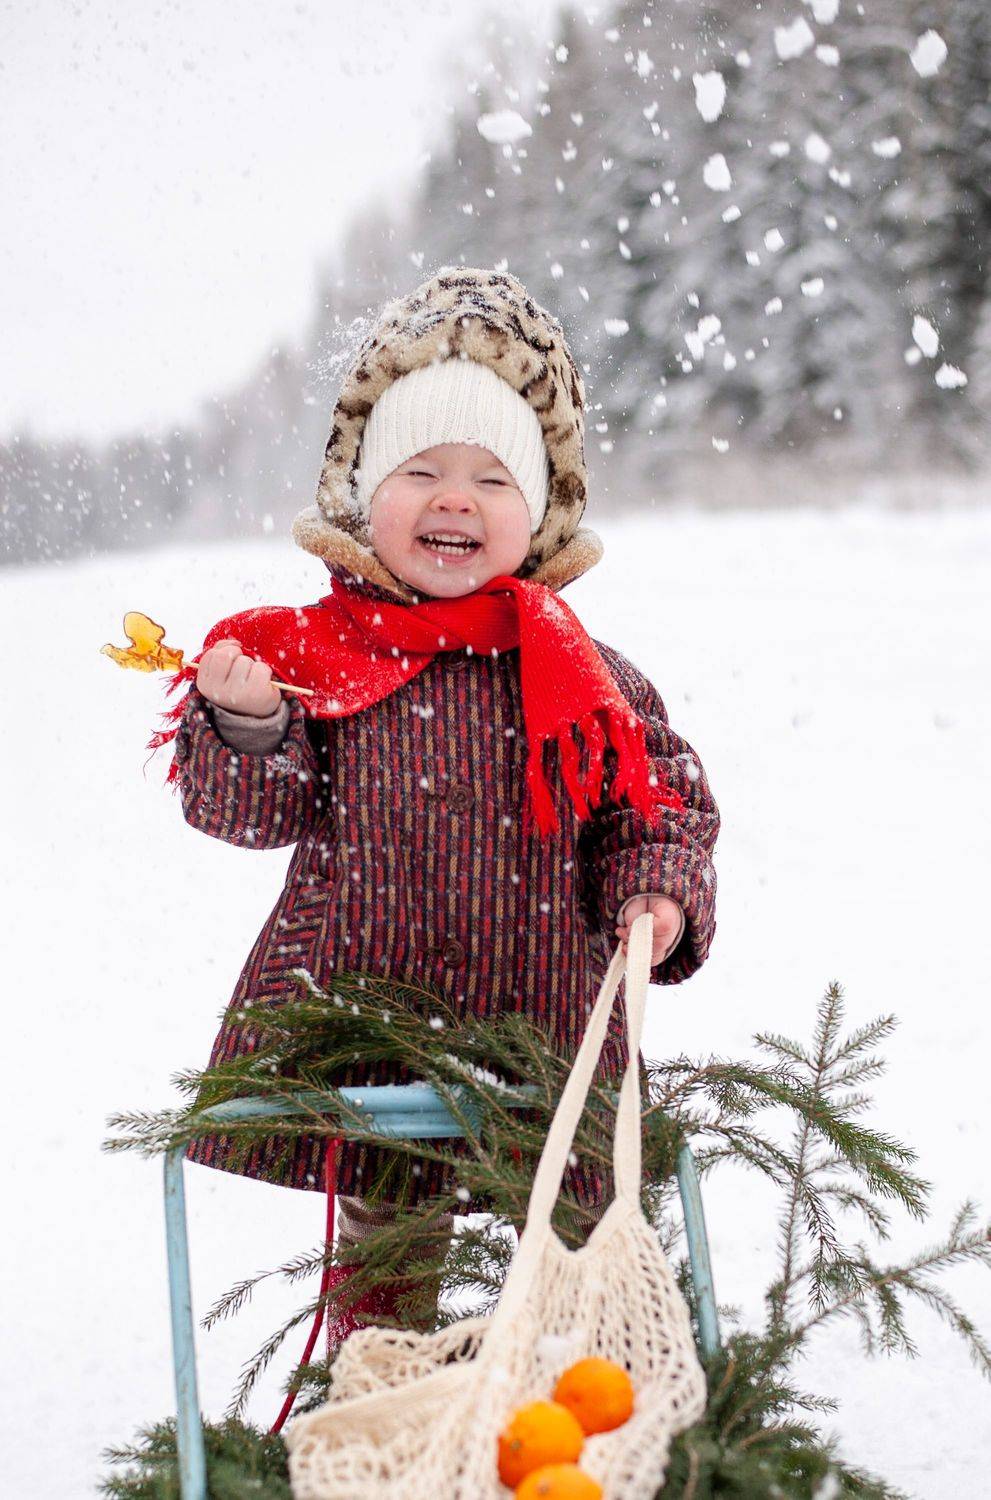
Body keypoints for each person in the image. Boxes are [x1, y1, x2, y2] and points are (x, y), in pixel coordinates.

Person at [162, 265, 720, 1351]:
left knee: (571, 1237)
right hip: (374, 1018)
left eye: (491, 479)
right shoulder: (318, 658)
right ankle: (385, 1393)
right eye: (419, 472)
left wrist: (655, 889)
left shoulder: (585, 675)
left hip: (549, 1018)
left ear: (539, 513)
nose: (454, 499)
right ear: (364, 497)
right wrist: (250, 727)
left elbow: (655, 805)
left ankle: (575, 1389)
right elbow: (254, 815)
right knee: (388, 1244)